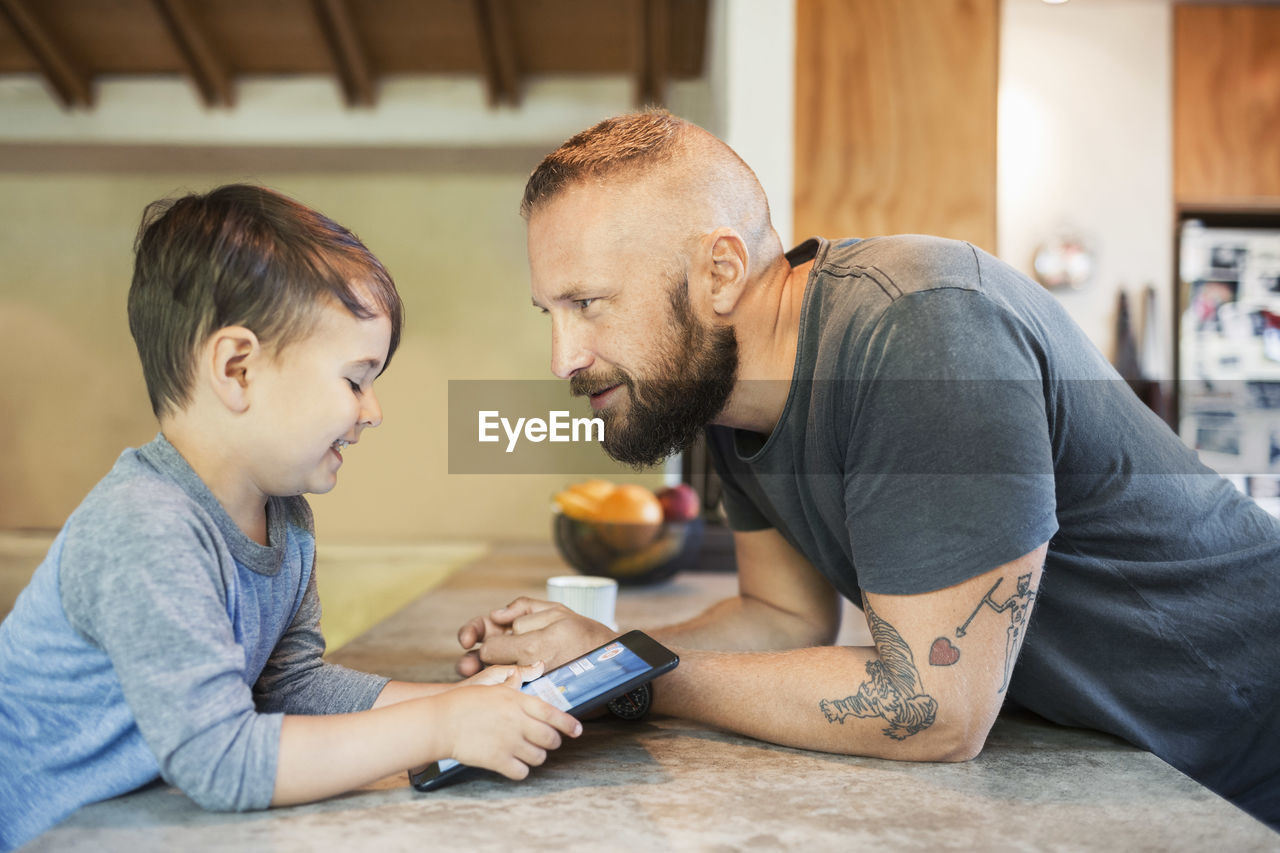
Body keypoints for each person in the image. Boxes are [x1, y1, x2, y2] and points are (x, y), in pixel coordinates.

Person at [456, 112, 1280, 830]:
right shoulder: (718, 389)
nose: (563, 356)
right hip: (1148, 760)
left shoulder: (924, 329)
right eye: (550, 311)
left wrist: (636, 681)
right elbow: (780, 616)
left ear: (719, 271)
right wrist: (595, 659)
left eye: (589, 303)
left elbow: (931, 708)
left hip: (1249, 736)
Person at [0, 185, 581, 850]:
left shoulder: (286, 518)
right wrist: (440, 727)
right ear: (237, 368)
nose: (374, 410)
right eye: (355, 379)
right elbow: (221, 760)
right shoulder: (144, 526)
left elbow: (289, 685)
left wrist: (469, 705)